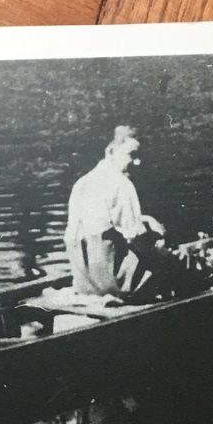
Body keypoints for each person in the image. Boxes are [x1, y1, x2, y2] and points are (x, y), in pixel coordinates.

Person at [63, 125, 166, 299]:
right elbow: (136, 237)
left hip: (84, 282)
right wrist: (158, 240)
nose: (137, 162)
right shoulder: (122, 184)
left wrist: (145, 218)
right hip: (113, 285)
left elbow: (99, 222)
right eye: (131, 155)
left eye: (139, 156)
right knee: (168, 260)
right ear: (110, 151)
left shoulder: (83, 182)